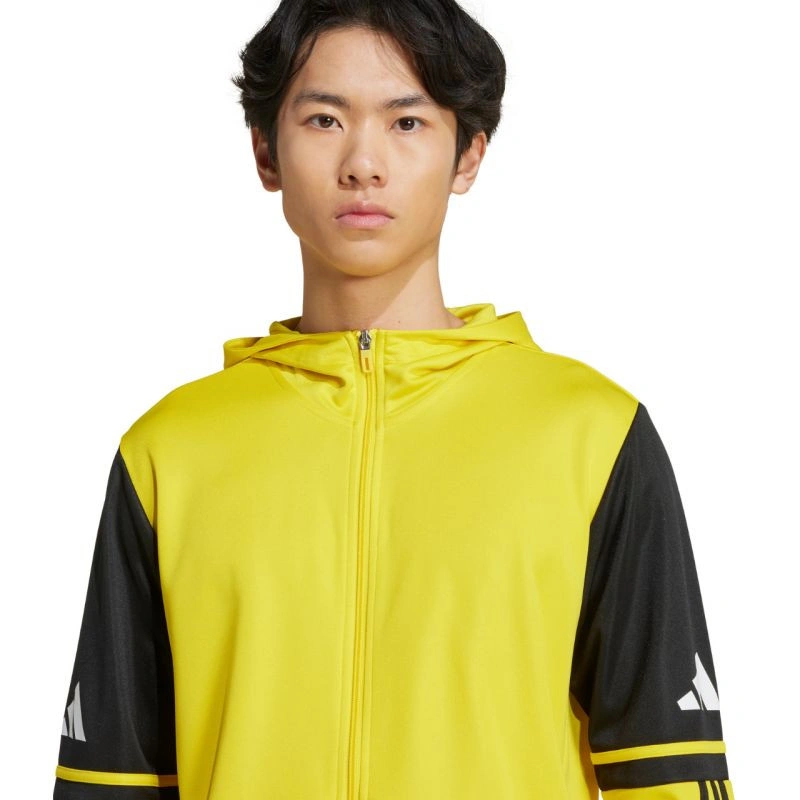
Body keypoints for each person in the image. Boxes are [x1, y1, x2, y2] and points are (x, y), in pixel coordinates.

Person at [52, 1, 735, 798]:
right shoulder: (170, 453)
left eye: (407, 122)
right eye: (324, 120)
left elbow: (666, 769)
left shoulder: (592, 436)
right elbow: (110, 780)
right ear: (266, 152)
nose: (363, 164)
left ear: (468, 155)